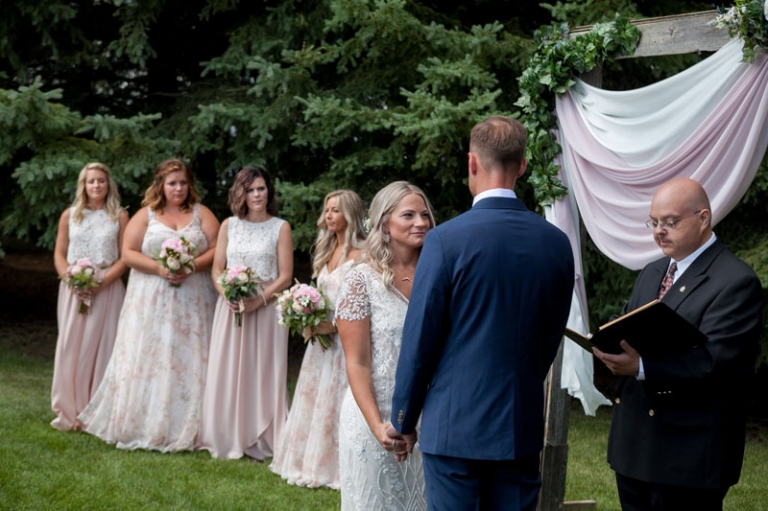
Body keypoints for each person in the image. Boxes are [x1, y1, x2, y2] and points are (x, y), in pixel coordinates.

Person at [389, 116, 575, 510]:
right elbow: (550, 338)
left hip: (453, 426)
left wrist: (403, 419)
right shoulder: (556, 243)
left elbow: (420, 339)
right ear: (522, 166)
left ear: (472, 162)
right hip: (519, 423)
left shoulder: (445, 240)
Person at [593, 177, 763, 511]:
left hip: (688, 458)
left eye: (670, 222)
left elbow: (717, 362)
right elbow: (631, 327)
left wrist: (642, 366)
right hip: (635, 449)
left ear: (703, 218)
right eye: (654, 222)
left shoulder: (735, 281)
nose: (659, 231)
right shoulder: (653, 271)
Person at [78, 158, 219, 452]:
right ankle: (144, 422)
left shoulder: (201, 213)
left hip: (193, 304)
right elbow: (128, 253)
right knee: (152, 357)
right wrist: (159, 268)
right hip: (151, 302)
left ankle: (194, 424)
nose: (178, 188)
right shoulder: (147, 215)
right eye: (172, 183)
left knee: (189, 358)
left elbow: (219, 249)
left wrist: (190, 265)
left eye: (183, 183)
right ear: (160, 185)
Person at [336, 181, 435, 510]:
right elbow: (357, 362)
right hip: (373, 415)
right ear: (384, 224)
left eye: (425, 215)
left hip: (430, 417)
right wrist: (377, 426)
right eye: (408, 215)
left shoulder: (441, 274)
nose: (420, 222)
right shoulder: (361, 280)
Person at [270, 189, 366, 488]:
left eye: (335, 210)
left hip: (347, 343)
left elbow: (366, 305)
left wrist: (333, 326)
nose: (329, 215)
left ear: (350, 213)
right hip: (320, 345)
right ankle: (309, 462)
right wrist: (305, 315)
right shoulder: (327, 250)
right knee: (316, 401)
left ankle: (339, 466)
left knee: (339, 402)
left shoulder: (364, 255)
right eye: (327, 210)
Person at [199, 166, 293, 461]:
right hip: (232, 308)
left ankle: (264, 434)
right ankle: (229, 433)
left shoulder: (281, 227)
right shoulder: (229, 225)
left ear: (269, 191)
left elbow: (285, 277)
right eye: (250, 190)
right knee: (230, 369)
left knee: (264, 369)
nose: (256, 195)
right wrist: (227, 292)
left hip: (266, 308)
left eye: (261, 188)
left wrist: (259, 301)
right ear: (240, 194)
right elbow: (217, 270)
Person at [50, 162, 129, 431]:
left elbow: (125, 258)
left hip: (107, 287)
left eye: (101, 180)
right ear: (83, 185)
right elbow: (59, 254)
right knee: (71, 347)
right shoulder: (69, 215)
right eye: (91, 181)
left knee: (103, 346)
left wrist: (100, 283)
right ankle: (69, 409)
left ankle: (97, 411)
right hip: (73, 290)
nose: (96, 185)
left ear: (109, 185)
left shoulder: (119, 216)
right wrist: (72, 280)